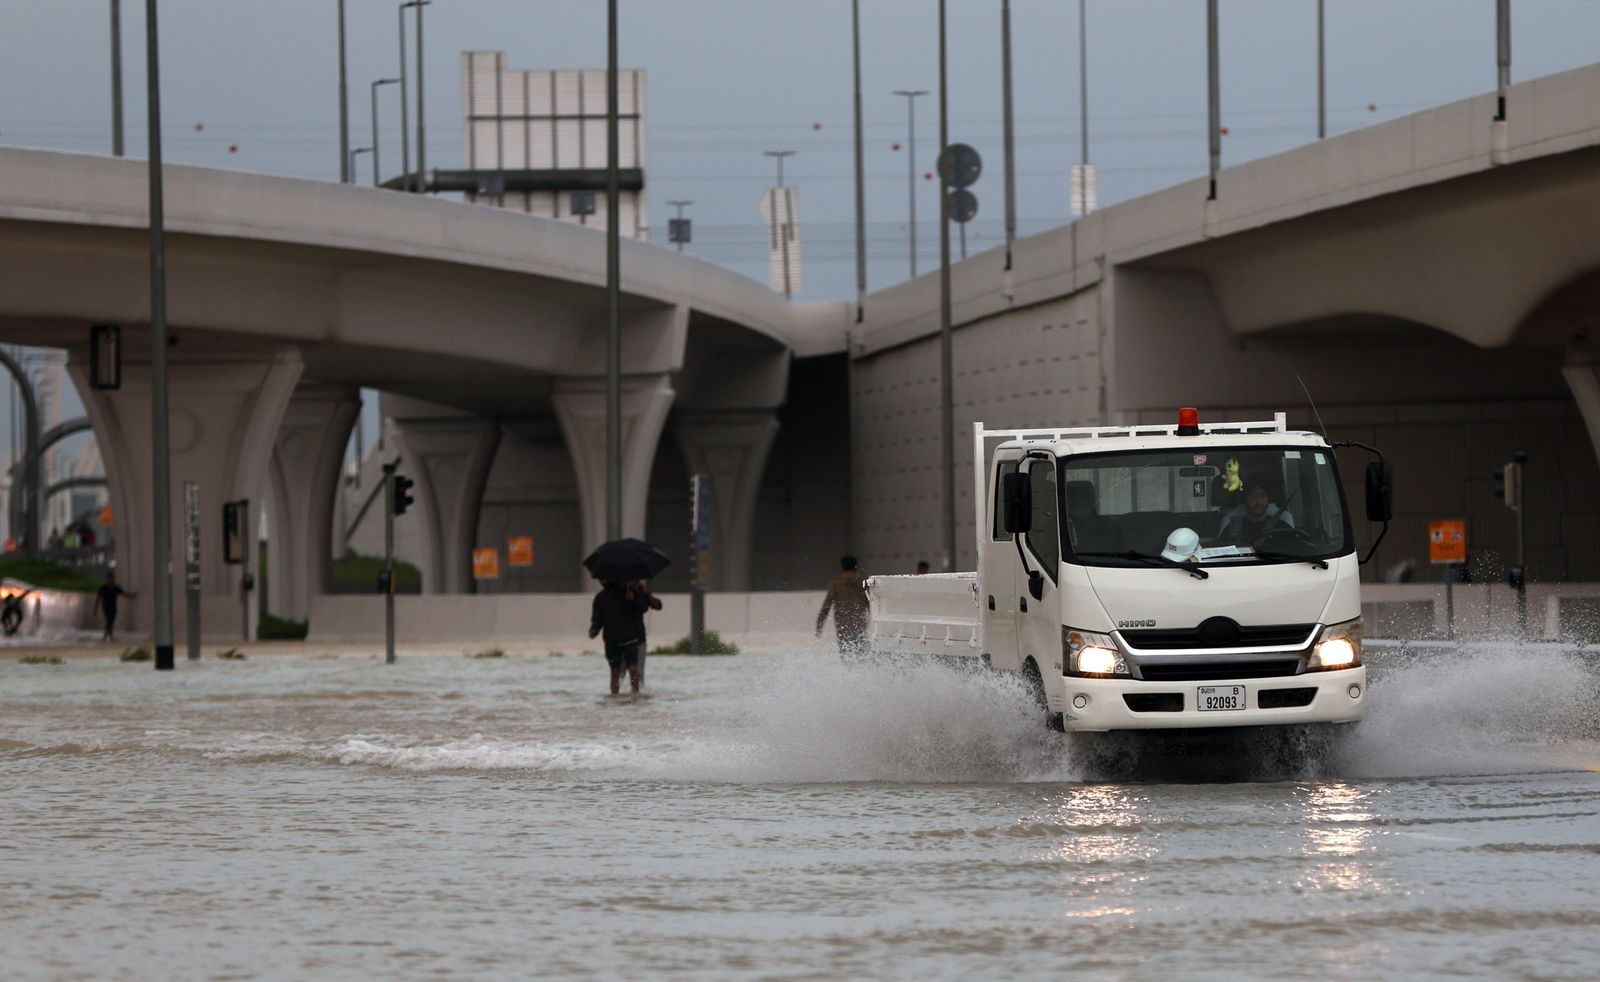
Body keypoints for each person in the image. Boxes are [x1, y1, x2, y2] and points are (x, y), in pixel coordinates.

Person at [588, 579, 651, 694]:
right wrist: (594, 629)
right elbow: (598, 619)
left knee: (633, 668)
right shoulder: (601, 597)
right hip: (612, 640)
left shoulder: (630, 591)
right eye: (600, 578)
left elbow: (644, 608)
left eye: (605, 577)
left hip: (630, 638)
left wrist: (635, 598)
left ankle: (635, 694)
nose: (602, 581)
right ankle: (614, 697)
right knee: (615, 672)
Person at [816, 555, 869, 658]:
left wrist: (819, 624)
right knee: (861, 655)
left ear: (842, 567)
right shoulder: (863, 584)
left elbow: (826, 607)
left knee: (846, 656)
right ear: (855, 566)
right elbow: (870, 604)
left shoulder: (836, 585)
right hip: (860, 625)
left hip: (843, 626)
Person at [1222, 478, 1295, 545]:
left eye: (1262, 495)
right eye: (1253, 496)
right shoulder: (1233, 530)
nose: (1258, 501)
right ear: (1245, 499)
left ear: (1268, 499)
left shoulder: (1282, 528)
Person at [630, 579, 663, 686]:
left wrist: (643, 593)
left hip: (639, 637)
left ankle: (638, 693)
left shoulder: (641, 592)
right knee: (620, 672)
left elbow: (656, 606)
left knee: (639, 671)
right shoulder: (616, 591)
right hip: (621, 638)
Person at [94, 572, 136, 642]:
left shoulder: (116, 588)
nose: (112, 580)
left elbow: (124, 594)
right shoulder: (103, 588)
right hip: (105, 607)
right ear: (107, 579)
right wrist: (95, 608)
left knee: (111, 621)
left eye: (113, 578)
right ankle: (107, 635)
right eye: (110, 578)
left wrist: (132, 595)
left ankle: (109, 635)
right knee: (109, 620)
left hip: (113, 607)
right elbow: (98, 598)